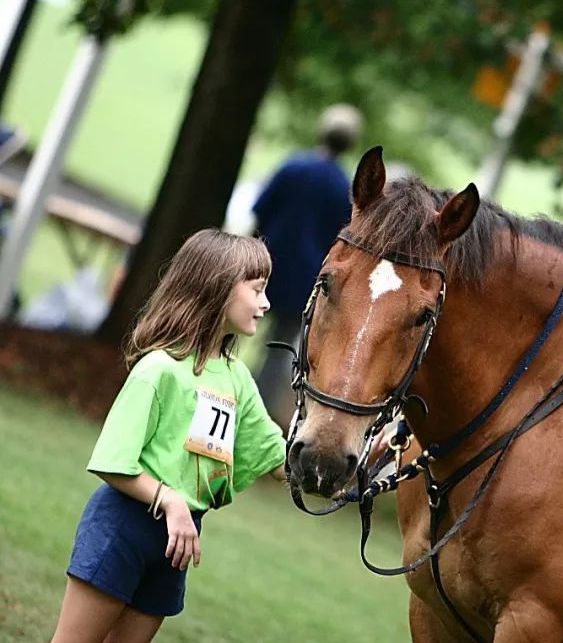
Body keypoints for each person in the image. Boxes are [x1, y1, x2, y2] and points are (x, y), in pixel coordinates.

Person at [50, 229, 287, 643]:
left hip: (178, 543)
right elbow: (112, 461)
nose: (266, 303)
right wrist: (171, 500)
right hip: (123, 528)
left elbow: (280, 460)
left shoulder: (238, 380)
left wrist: (361, 465)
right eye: (258, 289)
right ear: (218, 287)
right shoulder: (158, 369)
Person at [252, 103, 361, 424]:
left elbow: (260, 213)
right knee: (278, 348)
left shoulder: (293, 167)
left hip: (263, 267)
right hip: (303, 283)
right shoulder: (343, 189)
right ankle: (255, 413)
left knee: (233, 330)